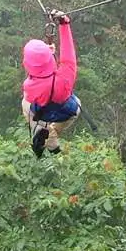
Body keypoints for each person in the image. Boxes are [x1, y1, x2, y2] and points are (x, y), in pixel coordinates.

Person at [21, 9, 81, 157]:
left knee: (25, 103)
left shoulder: (29, 86)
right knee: (76, 104)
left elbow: (37, 73)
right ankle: (53, 135)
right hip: (66, 113)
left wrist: (48, 56)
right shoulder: (65, 77)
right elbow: (68, 54)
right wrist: (64, 24)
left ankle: (39, 129)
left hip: (42, 113)